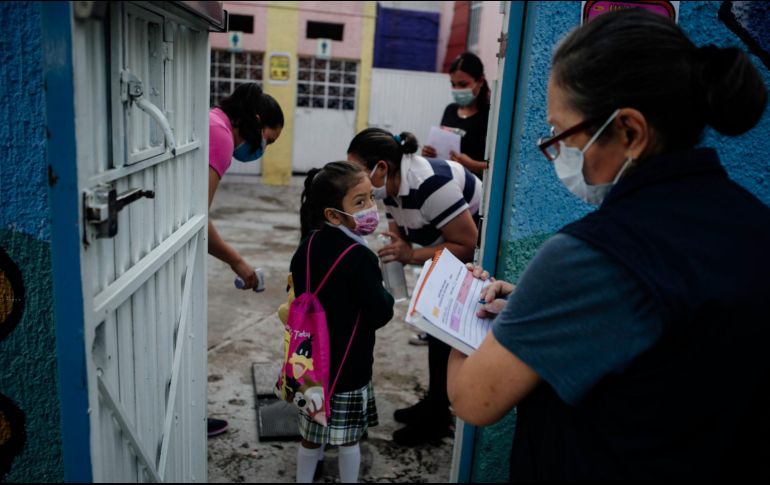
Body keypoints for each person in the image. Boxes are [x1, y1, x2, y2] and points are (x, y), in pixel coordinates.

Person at [447, 9, 770, 481]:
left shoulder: (593, 255)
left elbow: (474, 399)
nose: (557, 151)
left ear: (630, 132)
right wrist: (538, 304)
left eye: (562, 134)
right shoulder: (753, 222)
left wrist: (457, 314)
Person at [347, 128, 481, 446]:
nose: (354, 179)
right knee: (434, 330)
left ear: (381, 167)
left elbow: (466, 243)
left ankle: (438, 417)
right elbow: (400, 234)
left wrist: (410, 255)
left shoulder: (430, 184)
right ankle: (434, 403)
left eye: (358, 170)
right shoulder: (389, 188)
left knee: (445, 338)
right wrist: (396, 250)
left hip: (469, 255)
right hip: (441, 248)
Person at [291, 161, 394, 483]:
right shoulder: (360, 257)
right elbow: (380, 313)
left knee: (310, 434)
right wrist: (387, 293)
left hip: (307, 362)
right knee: (348, 440)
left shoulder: (307, 245)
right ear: (333, 215)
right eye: (359, 202)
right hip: (348, 366)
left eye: (371, 198)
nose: (370, 208)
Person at [207, 82, 284, 437]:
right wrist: (238, 261)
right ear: (254, 121)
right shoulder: (220, 135)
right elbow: (196, 218)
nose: (263, 149)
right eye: (267, 140)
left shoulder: (212, 123)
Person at [421, 52, 491, 179]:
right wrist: (430, 154)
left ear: (480, 81)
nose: (457, 89)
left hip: (475, 191)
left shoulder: (491, 116)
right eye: (453, 84)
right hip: (447, 184)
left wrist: (471, 165)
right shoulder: (450, 110)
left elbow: (498, 167)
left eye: (463, 84)